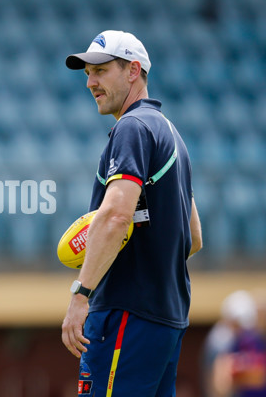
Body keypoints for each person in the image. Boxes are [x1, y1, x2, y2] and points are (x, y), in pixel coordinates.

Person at [60, 30, 203, 396]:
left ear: (132, 70)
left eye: (101, 71)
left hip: (126, 315)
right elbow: (194, 238)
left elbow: (115, 216)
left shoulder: (132, 128)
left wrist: (81, 293)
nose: (90, 82)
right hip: (166, 319)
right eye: (87, 73)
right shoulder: (171, 134)